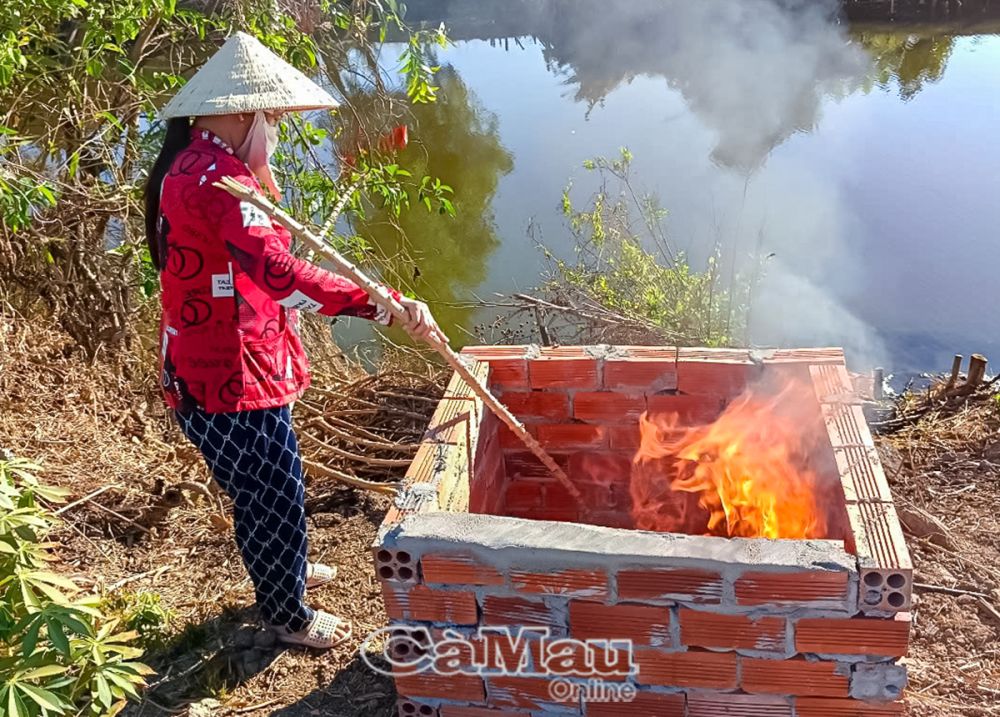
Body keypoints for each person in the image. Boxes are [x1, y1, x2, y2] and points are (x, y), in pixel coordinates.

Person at [144, 32, 444, 649]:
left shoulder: (196, 166)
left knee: (265, 486)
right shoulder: (219, 182)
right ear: (242, 113)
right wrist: (380, 303)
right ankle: (287, 612)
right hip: (228, 375)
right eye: (274, 117)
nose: (278, 127)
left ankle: (285, 569)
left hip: (213, 363)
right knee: (272, 492)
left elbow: (257, 269)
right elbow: (279, 276)